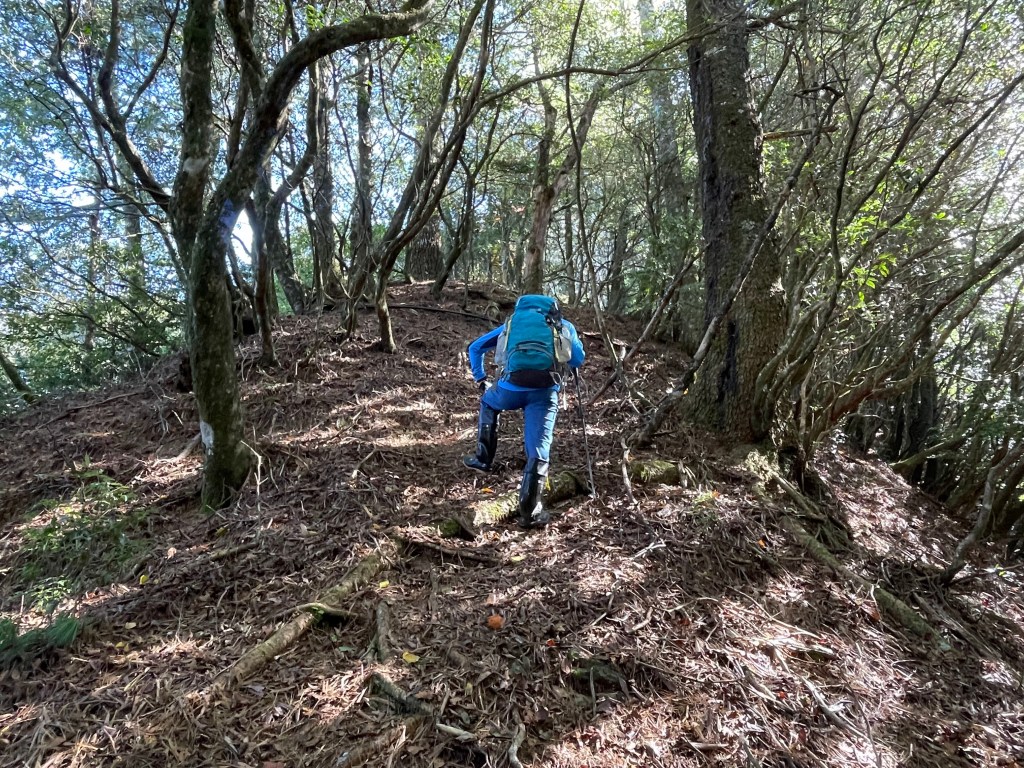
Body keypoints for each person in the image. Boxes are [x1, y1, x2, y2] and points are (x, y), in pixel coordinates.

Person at [463, 294, 585, 529]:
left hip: (510, 389)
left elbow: (475, 348)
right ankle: (530, 512)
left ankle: (483, 459)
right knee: (539, 448)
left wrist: (480, 378)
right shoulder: (562, 325)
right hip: (544, 393)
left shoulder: (512, 324)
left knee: (488, 402)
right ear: (553, 309)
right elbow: (578, 359)